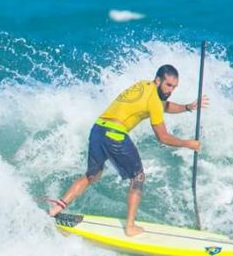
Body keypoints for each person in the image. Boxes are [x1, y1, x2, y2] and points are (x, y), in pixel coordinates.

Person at [48, 65, 208, 237]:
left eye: (174, 87)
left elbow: (164, 105)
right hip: (115, 134)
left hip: (98, 130)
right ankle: (130, 227)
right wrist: (188, 143)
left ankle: (57, 208)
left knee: (92, 175)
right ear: (159, 80)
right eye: (169, 85)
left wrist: (188, 107)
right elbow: (163, 137)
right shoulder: (154, 100)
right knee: (138, 177)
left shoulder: (143, 85)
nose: (171, 90)